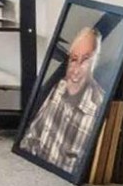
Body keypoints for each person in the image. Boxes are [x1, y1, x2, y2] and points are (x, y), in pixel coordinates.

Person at [20, 22, 106, 173]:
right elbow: (32, 135)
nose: (77, 67)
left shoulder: (98, 107)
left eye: (85, 60)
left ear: (95, 61)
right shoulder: (58, 88)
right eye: (74, 59)